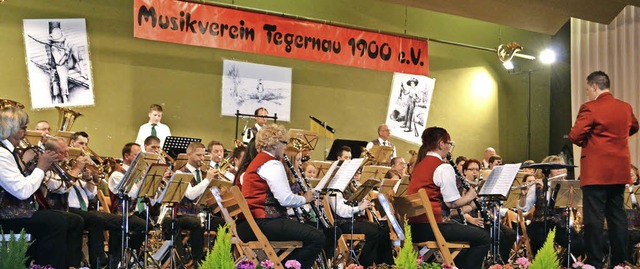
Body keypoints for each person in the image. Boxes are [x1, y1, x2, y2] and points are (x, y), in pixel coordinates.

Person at [569, 71, 639, 267]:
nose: (587, 94)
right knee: (617, 217)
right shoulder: (625, 107)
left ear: (594, 86)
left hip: (596, 173)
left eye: (587, 90)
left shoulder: (590, 108)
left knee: (594, 219)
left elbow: (575, 136)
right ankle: (620, 262)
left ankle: (594, 262)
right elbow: (634, 126)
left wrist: (590, 138)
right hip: (619, 171)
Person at [236, 124, 324, 269]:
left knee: (308, 233)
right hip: (262, 223)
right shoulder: (272, 164)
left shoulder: (258, 161)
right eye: (284, 143)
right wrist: (305, 199)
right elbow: (285, 199)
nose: (285, 147)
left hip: (248, 225)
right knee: (316, 237)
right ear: (274, 143)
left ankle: (281, 265)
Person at [406, 126, 490, 269]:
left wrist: (470, 205)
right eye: (449, 143)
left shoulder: (419, 165)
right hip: (431, 228)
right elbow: (452, 203)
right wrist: (471, 195)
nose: (449, 148)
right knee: (483, 237)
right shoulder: (442, 167)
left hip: (414, 228)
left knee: (468, 236)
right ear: (441, 143)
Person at [0, 106, 72, 268]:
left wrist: (33, 169)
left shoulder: (9, 152)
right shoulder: (2, 154)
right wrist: (41, 167)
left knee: (68, 220)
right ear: (10, 129)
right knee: (55, 221)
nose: (25, 133)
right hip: (6, 215)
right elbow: (22, 191)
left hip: (16, 212)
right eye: (23, 128)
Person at [162, 141, 222, 267]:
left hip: (202, 214)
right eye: (198, 155)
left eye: (203, 155)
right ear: (189, 155)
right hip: (183, 214)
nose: (202, 158)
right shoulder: (181, 173)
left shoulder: (205, 173)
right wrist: (207, 180)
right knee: (196, 224)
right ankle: (197, 260)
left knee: (225, 225)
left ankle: (216, 257)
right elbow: (190, 195)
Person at [518, 155, 584, 261]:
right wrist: (524, 195)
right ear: (548, 171)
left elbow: (574, 204)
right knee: (539, 241)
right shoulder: (537, 185)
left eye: (562, 168)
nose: (560, 170)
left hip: (560, 224)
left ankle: (563, 264)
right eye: (557, 168)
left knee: (579, 244)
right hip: (540, 223)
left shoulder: (567, 186)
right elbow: (524, 208)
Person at [45, 21, 85, 104]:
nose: (60, 42)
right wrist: (65, 53)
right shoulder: (54, 48)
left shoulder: (65, 41)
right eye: (58, 41)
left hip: (70, 62)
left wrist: (68, 48)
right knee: (63, 79)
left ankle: (83, 72)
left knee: (75, 47)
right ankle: (65, 97)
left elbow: (71, 47)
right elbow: (59, 62)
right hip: (62, 65)